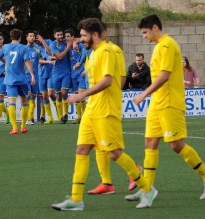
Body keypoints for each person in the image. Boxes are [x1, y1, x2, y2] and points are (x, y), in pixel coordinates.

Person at [51, 18, 157, 211]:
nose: (80, 39)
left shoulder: (107, 51)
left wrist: (82, 93)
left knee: (114, 153)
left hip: (106, 110)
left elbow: (108, 81)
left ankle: (147, 188)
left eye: (83, 36)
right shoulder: (92, 53)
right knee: (81, 150)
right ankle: (76, 199)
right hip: (92, 110)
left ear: (96, 35)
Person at [127, 14, 205, 202]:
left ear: (155, 28)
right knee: (150, 142)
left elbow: (164, 76)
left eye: (145, 32)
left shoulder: (168, 45)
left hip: (170, 102)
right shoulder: (158, 47)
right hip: (157, 103)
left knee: (176, 145)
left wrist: (144, 94)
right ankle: (147, 189)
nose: (144, 36)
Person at [87, 23, 142, 195]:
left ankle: (136, 173)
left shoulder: (113, 50)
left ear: (101, 33)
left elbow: (121, 76)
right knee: (97, 144)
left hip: (107, 104)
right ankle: (106, 183)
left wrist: (114, 94)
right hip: (95, 104)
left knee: (112, 148)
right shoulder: (94, 51)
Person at [0, 29, 35, 134]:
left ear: (10, 37)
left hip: (10, 80)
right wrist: (32, 75)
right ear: (20, 37)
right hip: (22, 79)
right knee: (24, 101)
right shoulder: (24, 48)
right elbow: (27, 61)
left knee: (11, 103)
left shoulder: (5, 47)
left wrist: (7, 62)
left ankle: (14, 128)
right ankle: (23, 126)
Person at [50, 27, 72, 124]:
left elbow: (75, 39)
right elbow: (59, 56)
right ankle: (61, 116)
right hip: (55, 73)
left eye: (61, 34)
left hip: (66, 72)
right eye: (58, 35)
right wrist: (67, 48)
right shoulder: (53, 44)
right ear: (54, 36)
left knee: (64, 93)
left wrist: (74, 41)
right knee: (58, 95)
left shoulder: (66, 41)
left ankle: (66, 114)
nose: (60, 36)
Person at [64, 29, 86, 124]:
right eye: (66, 36)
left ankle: (85, 117)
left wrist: (85, 69)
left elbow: (86, 57)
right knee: (76, 95)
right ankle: (79, 117)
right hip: (73, 75)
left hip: (82, 74)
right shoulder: (67, 48)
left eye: (68, 36)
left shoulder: (81, 46)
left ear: (73, 37)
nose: (66, 38)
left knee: (81, 95)